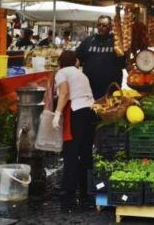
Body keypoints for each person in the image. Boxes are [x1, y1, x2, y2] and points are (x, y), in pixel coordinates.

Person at [51, 50, 96, 207]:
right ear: (75, 61)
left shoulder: (62, 72)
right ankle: (87, 190)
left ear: (60, 62)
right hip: (91, 112)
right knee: (86, 152)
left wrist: (56, 114)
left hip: (76, 113)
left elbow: (64, 93)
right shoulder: (80, 74)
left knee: (71, 151)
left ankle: (68, 190)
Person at [76, 15, 127, 100]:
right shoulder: (88, 41)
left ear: (110, 27)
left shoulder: (117, 42)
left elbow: (123, 63)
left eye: (104, 25)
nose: (101, 27)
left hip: (111, 88)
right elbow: (78, 58)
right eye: (99, 25)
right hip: (90, 87)